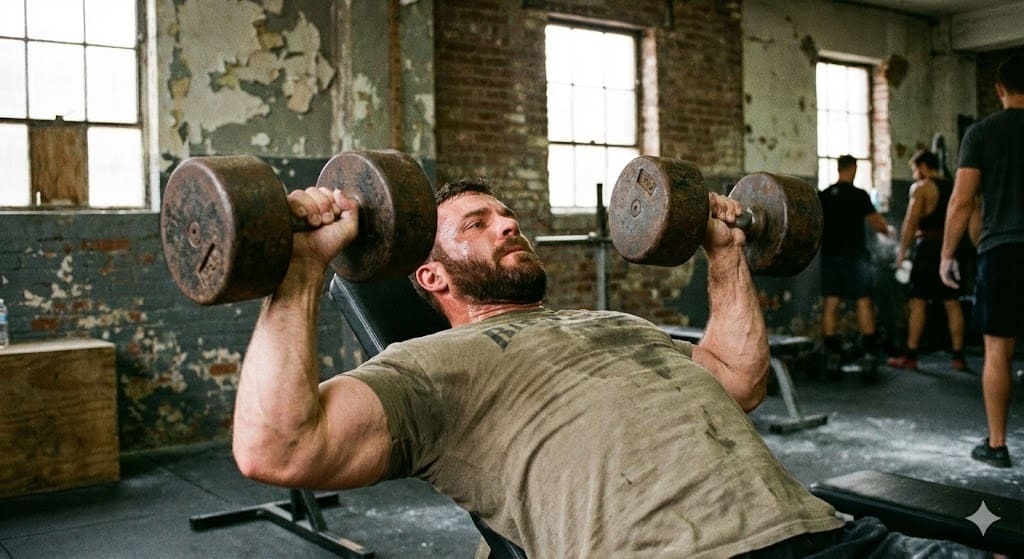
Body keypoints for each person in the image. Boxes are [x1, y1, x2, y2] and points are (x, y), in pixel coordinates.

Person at [233, 177, 990, 557]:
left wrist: (726, 253)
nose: (509, 225)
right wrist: (300, 269)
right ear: (430, 277)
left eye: (508, 216)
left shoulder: (616, 322)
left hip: (838, 538)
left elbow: (737, 380)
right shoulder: (426, 365)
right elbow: (278, 447)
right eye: (479, 223)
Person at [941, 53, 1024, 469]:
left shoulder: (982, 133)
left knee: (997, 350)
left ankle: (997, 444)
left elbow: (962, 200)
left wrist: (946, 255)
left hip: (1003, 252)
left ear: (999, 89)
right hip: (1002, 249)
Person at [887, 149, 967, 371]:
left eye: (915, 170)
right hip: (951, 248)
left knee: (918, 302)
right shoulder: (954, 187)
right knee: (952, 302)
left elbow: (910, 222)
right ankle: (958, 357)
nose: (914, 175)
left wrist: (902, 252)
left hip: (928, 249)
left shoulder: (922, 188)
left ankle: (911, 356)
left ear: (923, 166)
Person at [818, 154, 891, 376]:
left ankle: (831, 353)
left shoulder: (824, 195)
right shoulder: (859, 195)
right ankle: (868, 351)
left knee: (831, 302)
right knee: (863, 301)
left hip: (830, 255)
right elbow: (877, 223)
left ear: (838, 168)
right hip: (855, 256)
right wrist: (890, 232)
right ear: (854, 169)